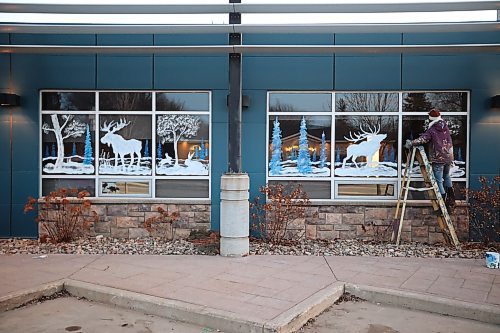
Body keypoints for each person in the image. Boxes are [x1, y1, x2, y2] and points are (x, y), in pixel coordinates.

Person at [405, 108, 455, 210]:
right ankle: (451, 198)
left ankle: (444, 203)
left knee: (438, 181)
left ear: (431, 118)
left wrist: (411, 143)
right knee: (446, 176)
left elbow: (423, 139)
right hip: (448, 157)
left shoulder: (432, 129)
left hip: (438, 158)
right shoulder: (445, 127)